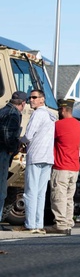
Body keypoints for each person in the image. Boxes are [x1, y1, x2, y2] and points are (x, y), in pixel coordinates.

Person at [20, 90, 56, 233]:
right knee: (41, 192)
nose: (31, 100)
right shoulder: (51, 115)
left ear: (42, 99)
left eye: (34, 97)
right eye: (30, 98)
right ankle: (38, 223)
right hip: (47, 157)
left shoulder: (38, 114)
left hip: (35, 155)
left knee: (30, 191)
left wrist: (20, 142)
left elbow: (28, 135)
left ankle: (30, 224)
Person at [48, 99, 80, 235]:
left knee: (58, 195)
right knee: (69, 197)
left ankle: (60, 224)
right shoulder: (78, 124)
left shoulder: (58, 125)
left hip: (61, 166)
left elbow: (49, 139)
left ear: (62, 109)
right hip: (74, 167)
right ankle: (68, 222)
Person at [0, 91, 28, 227]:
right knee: (1, 188)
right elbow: (7, 134)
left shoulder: (3, 110)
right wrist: (13, 148)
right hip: (3, 153)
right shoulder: (14, 114)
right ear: (22, 103)